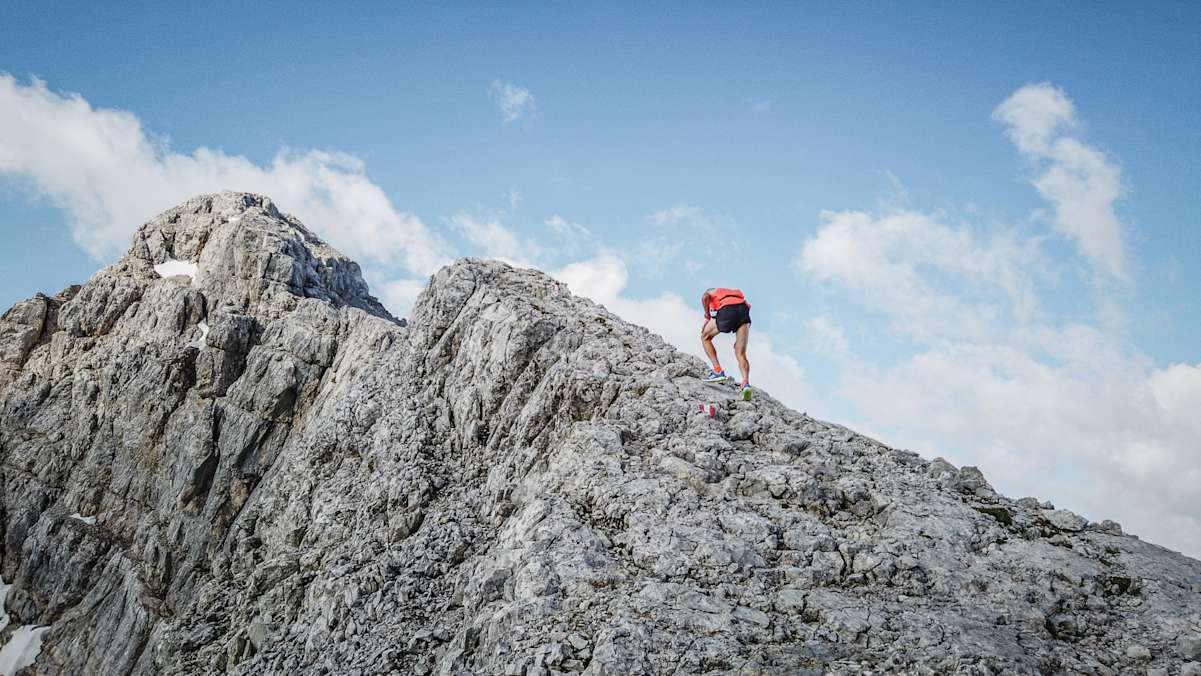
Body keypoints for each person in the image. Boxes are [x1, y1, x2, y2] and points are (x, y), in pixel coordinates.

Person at [700, 287, 752, 400]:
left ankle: (718, 371)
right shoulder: (735, 293)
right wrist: (740, 340)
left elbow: (705, 297)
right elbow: (748, 307)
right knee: (740, 353)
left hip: (728, 310)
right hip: (744, 314)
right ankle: (745, 383)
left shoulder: (712, 292)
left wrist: (707, 315)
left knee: (705, 337)